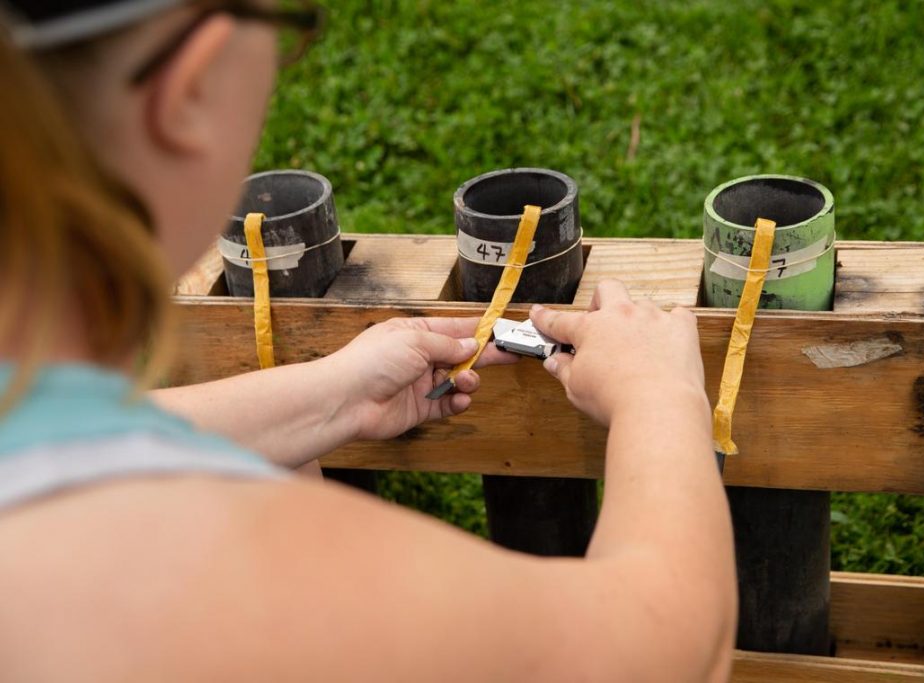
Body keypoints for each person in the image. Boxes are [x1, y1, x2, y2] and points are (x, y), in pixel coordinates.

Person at [0, 1, 736, 680]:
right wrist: (660, 398)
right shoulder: (213, 571)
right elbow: (663, 645)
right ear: (187, 89)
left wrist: (331, 397)